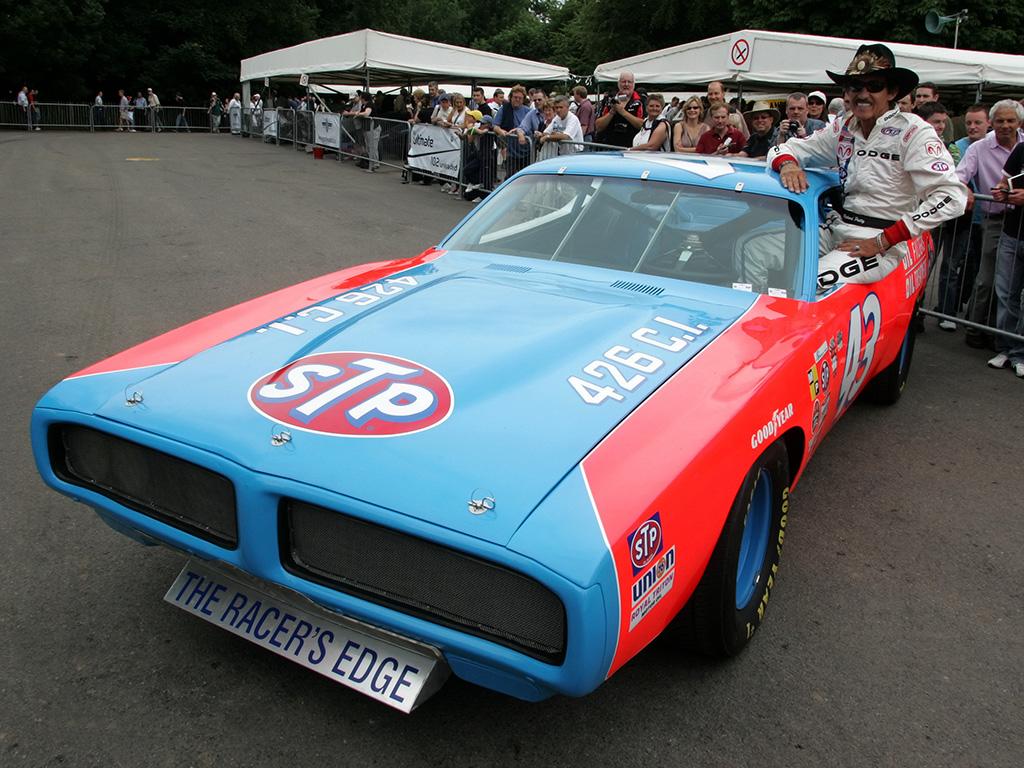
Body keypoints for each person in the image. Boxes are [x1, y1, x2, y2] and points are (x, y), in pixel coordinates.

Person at [769, 43, 966, 290]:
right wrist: (788, 165)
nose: (863, 94)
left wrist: (884, 241)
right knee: (756, 251)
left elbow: (952, 198)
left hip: (879, 243)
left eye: (874, 86)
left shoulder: (914, 131)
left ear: (892, 92)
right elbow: (786, 148)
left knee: (806, 283)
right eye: (855, 86)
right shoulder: (843, 127)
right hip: (835, 229)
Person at [955, 99, 1024, 353]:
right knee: (986, 280)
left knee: (1012, 286)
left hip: (1021, 220)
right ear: (992, 123)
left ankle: (1006, 337)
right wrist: (966, 190)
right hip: (996, 220)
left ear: (1019, 122)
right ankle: (976, 328)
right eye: (1000, 121)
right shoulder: (979, 148)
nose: (1005, 126)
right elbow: (959, 176)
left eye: (1011, 121)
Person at [935, 104, 990, 330]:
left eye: (978, 122)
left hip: (984, 218)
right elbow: (955, 176)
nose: (972, 127)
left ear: (988, 123)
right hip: (958, 218)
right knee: (950, 266)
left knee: (976, 272)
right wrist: (963, 188)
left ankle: (969, 315)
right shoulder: (957, 147)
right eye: (968, 123)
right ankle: (947, 312)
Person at [991, 144, 1024, 377]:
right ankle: (1005, 347)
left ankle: (1020, 353)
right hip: (1012, 234)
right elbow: (1005, 179)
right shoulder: (1021, 149)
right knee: (1005, 294)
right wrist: (1002, 190)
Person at [594, 71, 645, 147]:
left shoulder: (641, 101)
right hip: (609, 147)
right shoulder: (609, 99)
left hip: (632, 148)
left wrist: (623, 112)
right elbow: (598, 127)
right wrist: (612, 112)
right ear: (618, 84)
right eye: (623, 82)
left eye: (629, 82)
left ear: (633, 84)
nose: (626, 84)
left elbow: (644, 125)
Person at [491, 85, 532, 177]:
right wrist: (502, 131)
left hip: (526, 150)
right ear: (510, 97)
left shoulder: (528, 111)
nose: (517, 100)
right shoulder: (504, 109)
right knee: (510, 176)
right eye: (515, 97)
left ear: (523, 99)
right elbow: (495, 126)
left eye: (520, 98)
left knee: (525, 177)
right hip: (511, 150)